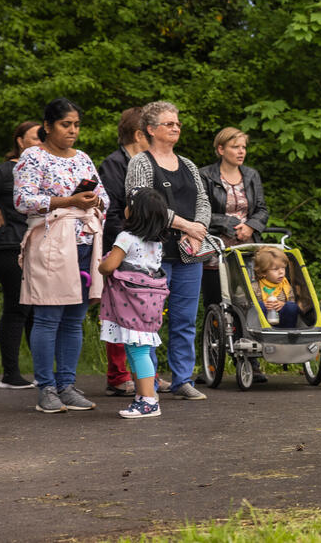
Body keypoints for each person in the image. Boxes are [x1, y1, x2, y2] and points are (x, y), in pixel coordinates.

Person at [15, 98, 108, 413]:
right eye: (66, 124)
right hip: (51, 240)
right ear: (48, 126)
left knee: (74, 319)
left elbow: (105, 196)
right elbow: (23, 200)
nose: (73, 131)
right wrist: (68, 201)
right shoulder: (33, 156)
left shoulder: (82, 157)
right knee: (48, 316)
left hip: (83, 242)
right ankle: (46, 389)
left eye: (76, 125)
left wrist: (93, 199)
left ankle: (67, 385)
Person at [125, 101, 211, 401]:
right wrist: (187, 225)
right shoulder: (141, 162)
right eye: (169, 123)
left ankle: (182, 379)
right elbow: (141, 204)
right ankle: (148, 383)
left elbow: (203, 199)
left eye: (178, 124)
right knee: (148, 323)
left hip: (189, 254)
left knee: (185, 320)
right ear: (150, 129)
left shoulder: (188, 164)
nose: (176, 128)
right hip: (153, 255)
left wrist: (198, 230)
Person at [0, 120, 41, 389]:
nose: (40, 141)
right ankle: (10, 375)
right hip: (11, 246)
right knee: (17, 309)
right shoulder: (6, 171)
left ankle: (41, 374)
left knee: (36, 312)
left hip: (38, 247)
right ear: (20, 141)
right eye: (36, 137)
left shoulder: (43, 169)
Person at [98, 188, 171, 418]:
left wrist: (101, 264)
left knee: (137, 352)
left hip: (129, 304)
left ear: (135, 212)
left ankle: (149, 401)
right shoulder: (156, 243)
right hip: (149, 302)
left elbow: (110, 267)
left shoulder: (125, 238)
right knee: (139, 349)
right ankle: (143, 395)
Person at [97, 107, 149, 397]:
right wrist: (125, 244)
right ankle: (118, 375)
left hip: (146, 246)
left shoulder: (149, 162)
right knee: (118, 311)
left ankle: (145, 375)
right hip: (120, 245)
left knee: (145, 313)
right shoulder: (114, 164)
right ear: (140, 134)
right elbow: (112, 210)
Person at [199, 126, 269, 306]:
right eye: (235, 147)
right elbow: (199, 211)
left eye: (243, 147)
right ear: (221, 149)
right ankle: (215, 333)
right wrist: (227, 223)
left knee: (250, 300)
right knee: (215, 302)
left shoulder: (251, 175)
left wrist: (251, 226)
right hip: (215, 248)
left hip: (247, 246)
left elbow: (262, 209)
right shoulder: (205, 175)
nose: (241, 151)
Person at [252, 247, 314, 328]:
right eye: (275, 269)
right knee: (257, 305)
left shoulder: (286, 286)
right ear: (263, 272)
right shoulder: (255, 287)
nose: (281, 272)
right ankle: (262, 330)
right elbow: (246, 305)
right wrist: (263, 305)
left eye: (283, 268)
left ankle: (289, 332)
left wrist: (283, 304)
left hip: (283, 321)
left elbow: (292, 303)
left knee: (291, 306)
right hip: (262, 322)